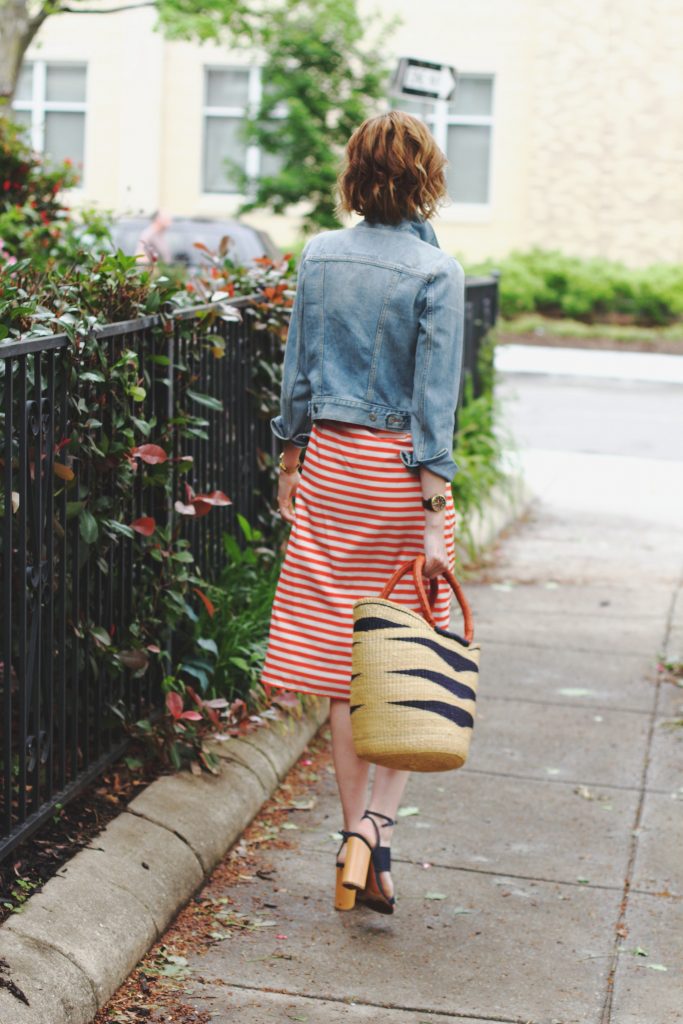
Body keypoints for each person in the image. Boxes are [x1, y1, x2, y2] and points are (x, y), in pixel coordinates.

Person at [260, 110, 465, 914]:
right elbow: (434, 403)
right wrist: (431, 512)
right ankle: (377, 828)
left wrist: (288, 458)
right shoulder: (435, 274)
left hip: (334, 466)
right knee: (409, 653)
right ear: (425, 177)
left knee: (348, 667)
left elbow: (297, 373)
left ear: (355, 174)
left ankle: (353, 834)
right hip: (399, 476)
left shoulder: (318, 255)